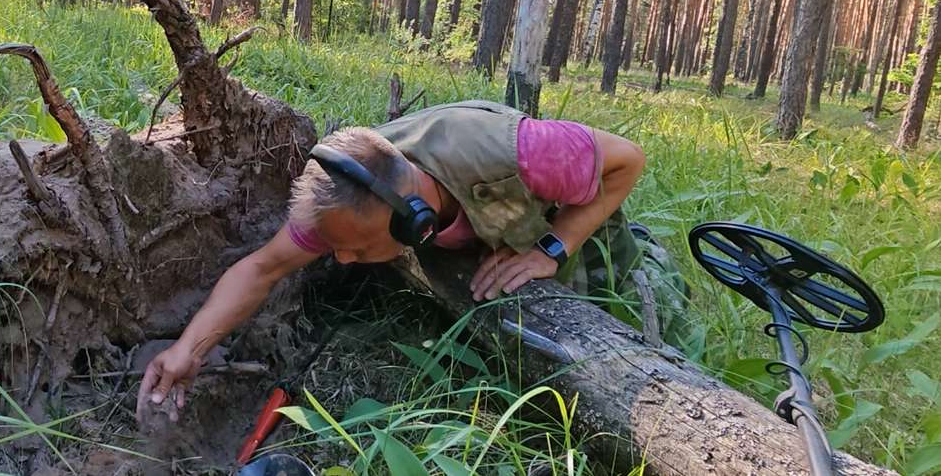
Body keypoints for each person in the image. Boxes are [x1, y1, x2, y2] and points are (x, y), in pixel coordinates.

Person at [136, 99, 687, 418]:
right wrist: (191, 348)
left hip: (603, 250)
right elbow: (261, 268)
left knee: (659, 346)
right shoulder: (348, 192)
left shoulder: (520, 151)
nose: (345, 260)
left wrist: (551, 249)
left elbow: (627, 161)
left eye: (355, 246)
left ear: (414, 220)